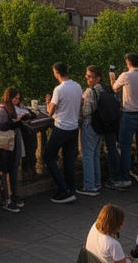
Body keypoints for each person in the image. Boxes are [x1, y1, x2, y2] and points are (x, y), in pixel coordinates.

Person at [111, 52, 138, 186]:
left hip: (130, 114)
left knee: (125, 147)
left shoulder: (126, 75)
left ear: (128, 62)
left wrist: (112, 78)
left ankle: (125, 178)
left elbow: (115, 89)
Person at [78, 65, 119, 197]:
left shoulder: (90, 92)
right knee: (95, 155)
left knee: (87, 156)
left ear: (97, 78)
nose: (87, 78)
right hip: (100, 126)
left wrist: (81, 106)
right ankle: (96, 182)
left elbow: (86, 112)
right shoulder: (102, 89)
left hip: (90, 125)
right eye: (87, 75)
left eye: (90, 76)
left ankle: (89, 185)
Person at [45, 61, 82, 203]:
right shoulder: (77, 86)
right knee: (69, 159)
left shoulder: (59, 89)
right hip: (74, 127)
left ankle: (63, 188)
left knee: (48, 156)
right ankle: (71, 188)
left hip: (61, 128)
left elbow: (50, 112)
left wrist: (48, 103)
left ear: (57, 72)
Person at [0, 86, 31, 212]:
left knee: (14, 168)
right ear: (9, 97)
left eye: (18, 98)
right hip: (4, 144)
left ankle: (14, 196)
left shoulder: (14, 108)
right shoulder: (2, 110)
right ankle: (7, 199)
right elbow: (2, 126)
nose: (17, 100)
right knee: (4, 170)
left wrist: (23, 118)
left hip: (13, 142)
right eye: (15, 98)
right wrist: (16, 121)